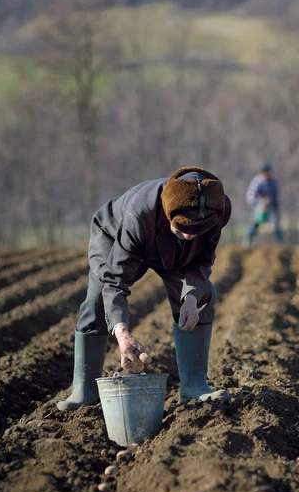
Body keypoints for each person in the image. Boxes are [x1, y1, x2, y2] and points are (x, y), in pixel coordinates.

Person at [57, 167, 231, 411]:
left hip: (172, 249)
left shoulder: (217, 209)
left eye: (195, 232)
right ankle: (84, 390)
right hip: (116, 236)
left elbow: (202, 261)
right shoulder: (139, 214)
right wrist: (122, 332)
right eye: (182, 230)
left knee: (202, 297)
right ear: (170, 215)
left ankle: (194, 386)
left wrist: (191, 298)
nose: (189, 238)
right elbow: (115, 281)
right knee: (98, 300)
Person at [243, 163, 283, 245]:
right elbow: (250, 196)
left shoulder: (273, 182)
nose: (266, 174)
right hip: (258, 208)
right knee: (254, 225)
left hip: (270, 207)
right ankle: (246, 243)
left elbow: (275, 197)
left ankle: (280, 244)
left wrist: (275, 207)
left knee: (275, 225)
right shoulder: (257, 181)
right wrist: (261, 201)